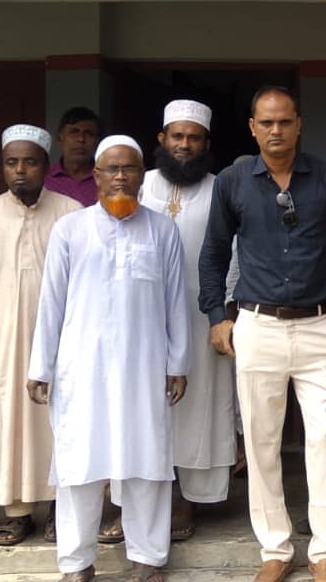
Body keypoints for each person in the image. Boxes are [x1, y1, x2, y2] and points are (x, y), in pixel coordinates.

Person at [198, 85, 326, 582]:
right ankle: (275, 548)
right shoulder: (233, 181)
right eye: (266, 122)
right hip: (259, 324)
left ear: (299, 124)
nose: (276, 131)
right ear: (252, 127)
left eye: (285, 121)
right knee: (261, 441)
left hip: (320, 325)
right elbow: (214, 252)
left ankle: (325, 551)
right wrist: (217, 316)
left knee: (324, 439)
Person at [28, 135, 190, 582]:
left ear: (142, 176)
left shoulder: (162, 230)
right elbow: (51, 302)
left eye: (129, 168)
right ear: (97, 176)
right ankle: (76, 563)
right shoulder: (70, 230)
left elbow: (177, 302)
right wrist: (41, 366)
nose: (120, 177)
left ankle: (148, 559)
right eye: (112, 169)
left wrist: (178, 363)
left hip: (145, 368)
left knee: (147, 462)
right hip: (82, 368)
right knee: (79, 464)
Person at [0, 125, 81, 545]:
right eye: (12, 162)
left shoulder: (69, 213)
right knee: (7, 423)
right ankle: (16, 512)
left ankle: (60, 510)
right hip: (4, 340)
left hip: (61, 340)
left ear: (46, 166)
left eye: (29, 162)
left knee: (59, 422)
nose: (20, 170)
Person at [139, 100, 238, 542]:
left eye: (193, 138)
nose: (184, 145)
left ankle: (188, 497)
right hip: (144, 316)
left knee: (200, 404)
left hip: (203, 314)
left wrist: (226, 311)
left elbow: (235, 250)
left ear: (206, 143)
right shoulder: (139, 184)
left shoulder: (222, 188)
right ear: (162, 139)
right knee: (145, 404)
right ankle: (141, 495)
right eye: (177, 136)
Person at [44, 106, 101, 206]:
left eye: (88, 134)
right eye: (74, 132)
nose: (81, 139)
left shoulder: (106, 179)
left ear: (97, 141)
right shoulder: (44, 178)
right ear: (60, 138)